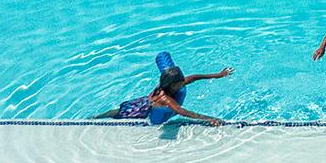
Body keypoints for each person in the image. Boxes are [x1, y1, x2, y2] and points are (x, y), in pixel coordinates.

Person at [97, 54, 232, 126]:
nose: (183, 83)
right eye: (180, 83)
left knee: (114, 112)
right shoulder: (165, 98)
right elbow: (182, 112)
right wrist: (209, 119)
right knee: (116, 114)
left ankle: (99, 116)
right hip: (140, 109)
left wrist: (219, 74)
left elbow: (195, 77)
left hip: (142, 101)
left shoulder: (171, 84)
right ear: (173, 85)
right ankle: (93, 119)